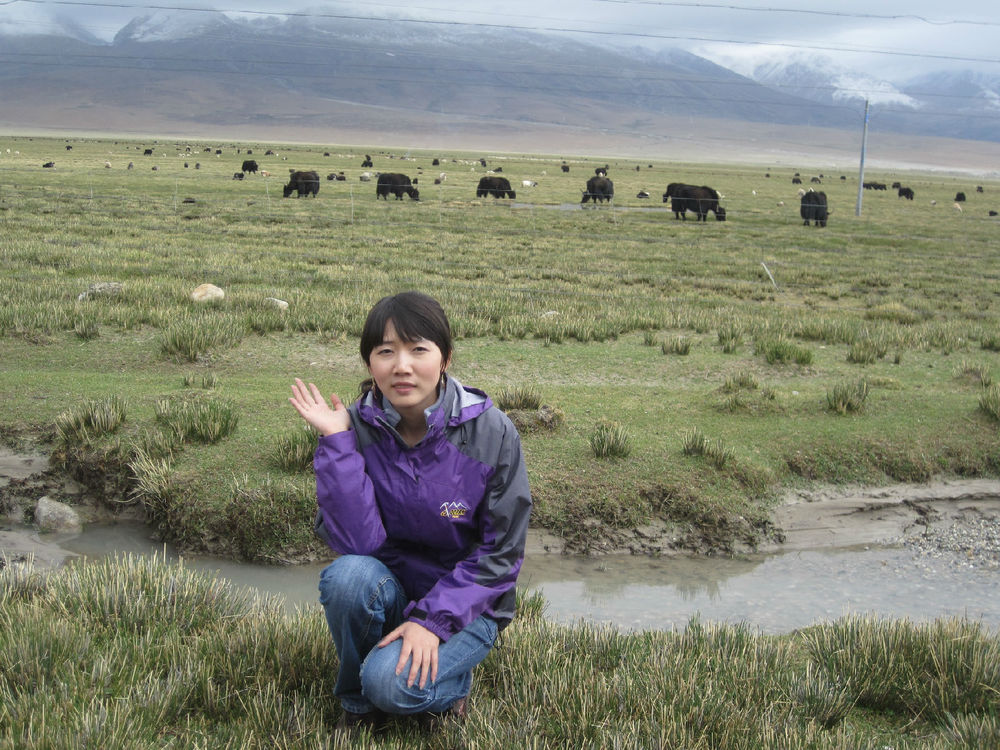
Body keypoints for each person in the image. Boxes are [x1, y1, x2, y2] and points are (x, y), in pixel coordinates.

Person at [288, 291, 532, 733]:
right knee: (346, 577)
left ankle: (448, 688)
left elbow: (501, 555)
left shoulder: (491, 432)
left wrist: (432, 622)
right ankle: (357, 706)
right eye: (386, 351)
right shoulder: (356, 428)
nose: (401, 366)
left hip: (468, 608)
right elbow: (358, 545)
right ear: (370, 364)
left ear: (445, 359)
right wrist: (337, 444)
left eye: (418, 349)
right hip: (394, 590)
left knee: (391, 685)